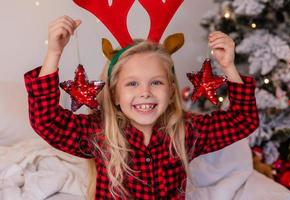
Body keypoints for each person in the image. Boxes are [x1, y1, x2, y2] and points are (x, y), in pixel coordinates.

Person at [24, 15, 259, 200]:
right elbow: (46, 120)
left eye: (156, 82)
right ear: (115, 94)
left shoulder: (186, 132)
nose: (145, 92)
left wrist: (228, 66)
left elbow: (243, 120)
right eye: (132, 83)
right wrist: (54, 52)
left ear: (170, 92)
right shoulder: (100, 133)